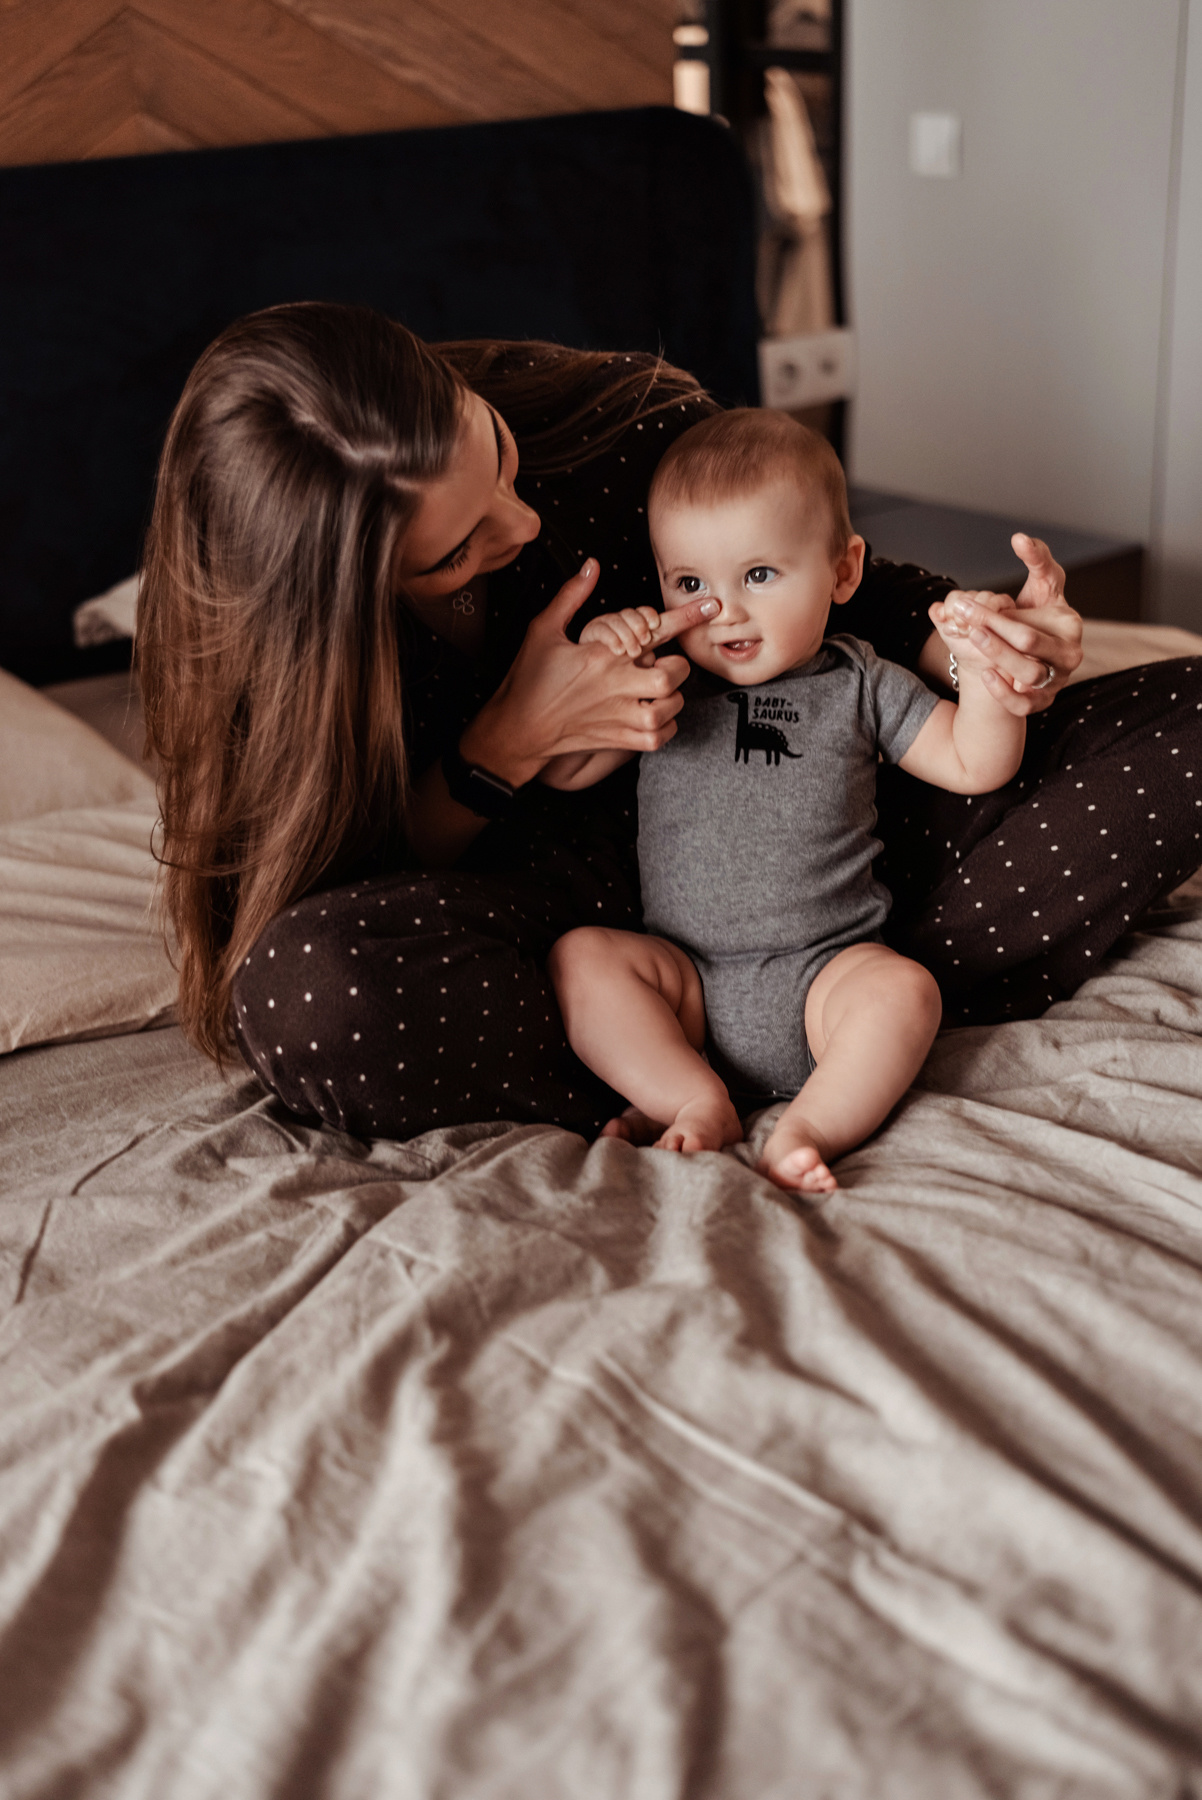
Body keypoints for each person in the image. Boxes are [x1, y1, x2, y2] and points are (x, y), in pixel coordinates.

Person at [137, 301, 1202, 1143]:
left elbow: (853, 593)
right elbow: (336, 890)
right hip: (574, 937)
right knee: (315, 997)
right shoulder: (272, 673)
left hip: (851, 860)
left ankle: (864, 1013)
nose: (524, 524)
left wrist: (998, 649)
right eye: (453, 552)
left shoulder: (615, 432)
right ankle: (685, 1076)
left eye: (496, 455)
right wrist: (502, 750)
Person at [544, 410, 1026, 1191]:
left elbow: (974, 762)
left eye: (758, 576)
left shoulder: (857, 681)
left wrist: (993, 682)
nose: (724, 610)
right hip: (686, 987)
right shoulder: (663, 681)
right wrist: (602, 669)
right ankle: (694, 1098)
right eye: (691, 583)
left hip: (824, 980)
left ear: (842, 571)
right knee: (583, 961)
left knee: (905, 991)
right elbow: (565, 774)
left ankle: (808, 1126)